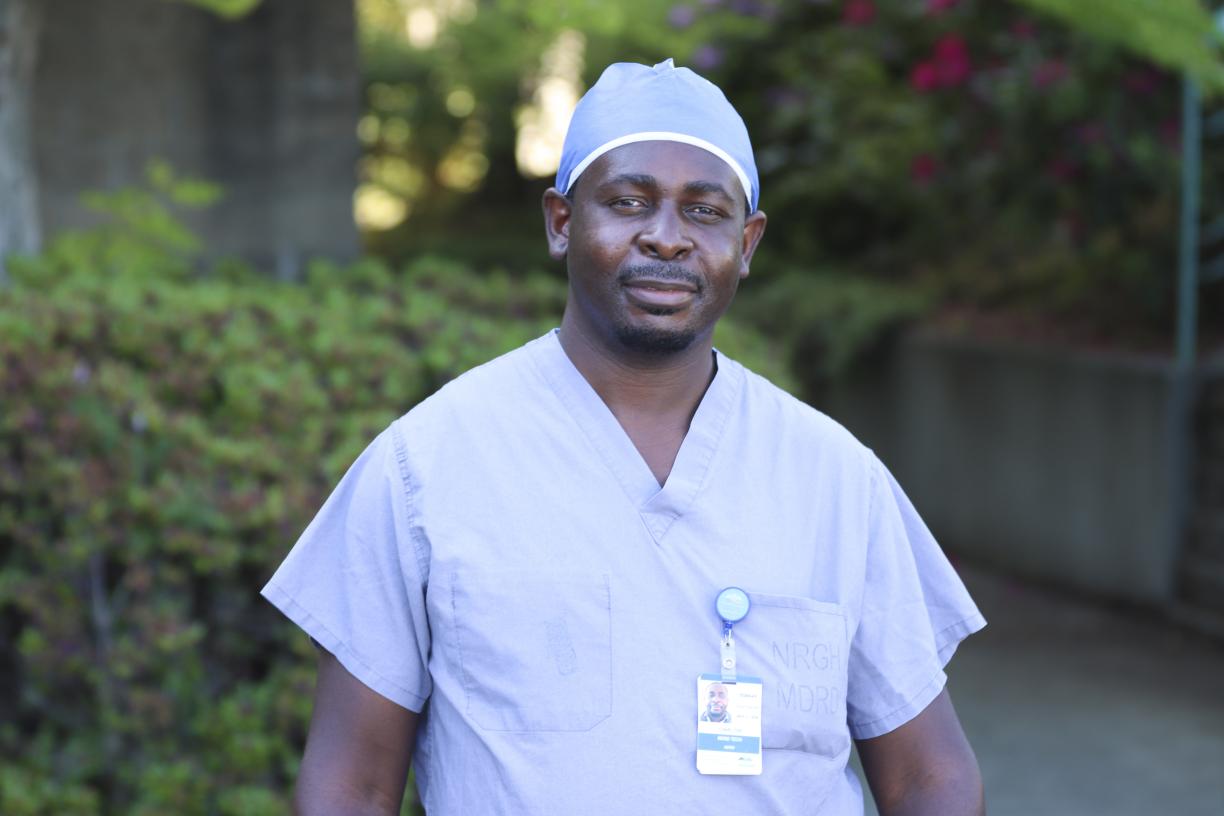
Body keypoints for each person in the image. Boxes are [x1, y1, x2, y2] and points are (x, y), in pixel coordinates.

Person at [263, 58, 987, 815]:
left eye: (704, 211)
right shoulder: (426, 465)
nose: (667, 238)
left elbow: (929, 775)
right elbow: (352, 781)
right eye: (628, 202)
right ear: (562, 223)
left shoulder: (834, 478)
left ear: (747, 243)